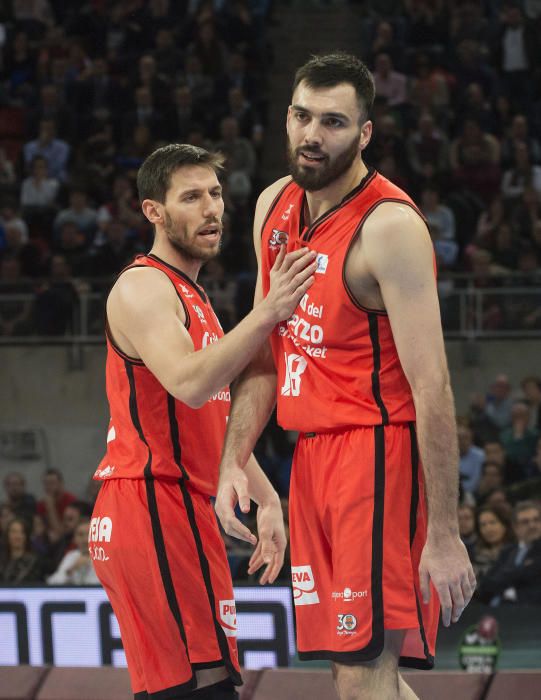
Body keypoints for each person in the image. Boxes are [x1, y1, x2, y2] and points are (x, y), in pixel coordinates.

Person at [215, 53, 475, 700]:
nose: (311, 134)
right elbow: (264, 351)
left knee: (362, 675)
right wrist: (232, 459)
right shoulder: (274, 205)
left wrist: (443, 532)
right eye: (302, 116)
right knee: (351, 671)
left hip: (377, 459)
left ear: (363, 133)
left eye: (332, 122)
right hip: (311, 460)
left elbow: (432, 387)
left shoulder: (389, 228)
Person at [90, 143, 317, 699]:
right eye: (191, 197)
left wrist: (267, 499)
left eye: (215, 194)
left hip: (170, 506)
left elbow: (213, 416)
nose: (211, 208)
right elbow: (192, 385)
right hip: (151, 503)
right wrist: (268, 312)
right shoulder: (143, 286)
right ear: (154, 212)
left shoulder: (194, 296)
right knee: (203, 687)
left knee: (196, 685)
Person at [477, 501, 541, 605]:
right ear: (515, 527)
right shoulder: (508, 551)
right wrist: (522, 570)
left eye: (536, 520)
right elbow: (486, 585)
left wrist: (511, 594)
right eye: (525, 522)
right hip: (496, 610)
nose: (532, 525)